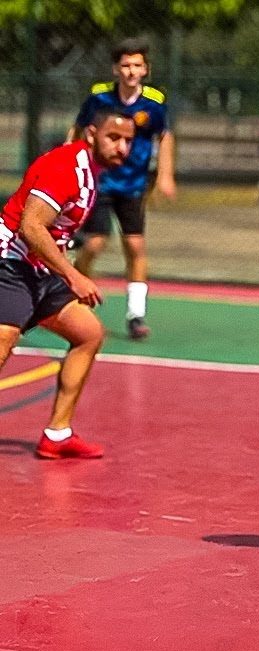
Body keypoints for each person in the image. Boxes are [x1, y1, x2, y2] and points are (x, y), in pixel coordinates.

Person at [0, 109, 136, 459]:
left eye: (128, 141)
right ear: (91, 134)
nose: (122, 147)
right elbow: (31, 227)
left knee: (87, 334)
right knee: (4, 338)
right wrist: (73, 275)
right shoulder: (66, 168)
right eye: (114, 138)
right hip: (10, 261)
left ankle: (57, 435)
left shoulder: (92, 172)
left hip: (41, 269)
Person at [69, 37, 177, 340]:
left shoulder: (154, 104)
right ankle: (78, 296)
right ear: (116, 69)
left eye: (137, 65)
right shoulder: (99, 99)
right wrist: (69, 166)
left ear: (146, 70)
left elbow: (165, 137)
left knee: (135, 246)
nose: (131, 71)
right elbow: (76, 132)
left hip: (133, 185)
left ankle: (136, 314)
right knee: (94, 245)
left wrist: (165, 175)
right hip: (101, 181)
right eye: (126, 65)